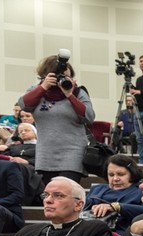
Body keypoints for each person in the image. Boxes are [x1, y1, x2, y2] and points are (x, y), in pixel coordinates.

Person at [18, 53, 95, 184]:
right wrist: (43, 87)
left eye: (67, 77)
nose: (63, 79)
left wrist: (69, 95)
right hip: (45, 153)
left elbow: (89, 116)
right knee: (51, 194)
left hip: (73, 152)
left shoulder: (78, 92)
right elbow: (24, 105)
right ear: (46, 75)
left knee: (66, 192)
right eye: (59, 76)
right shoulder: (36, 90)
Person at [82, 154, 143, 235]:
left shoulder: (141, 190)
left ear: (132, 173)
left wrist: (116, 207)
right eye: (111, 175)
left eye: (121, 174)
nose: (115, 179)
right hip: (89, 232)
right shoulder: (97, 189)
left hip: (122, 235)